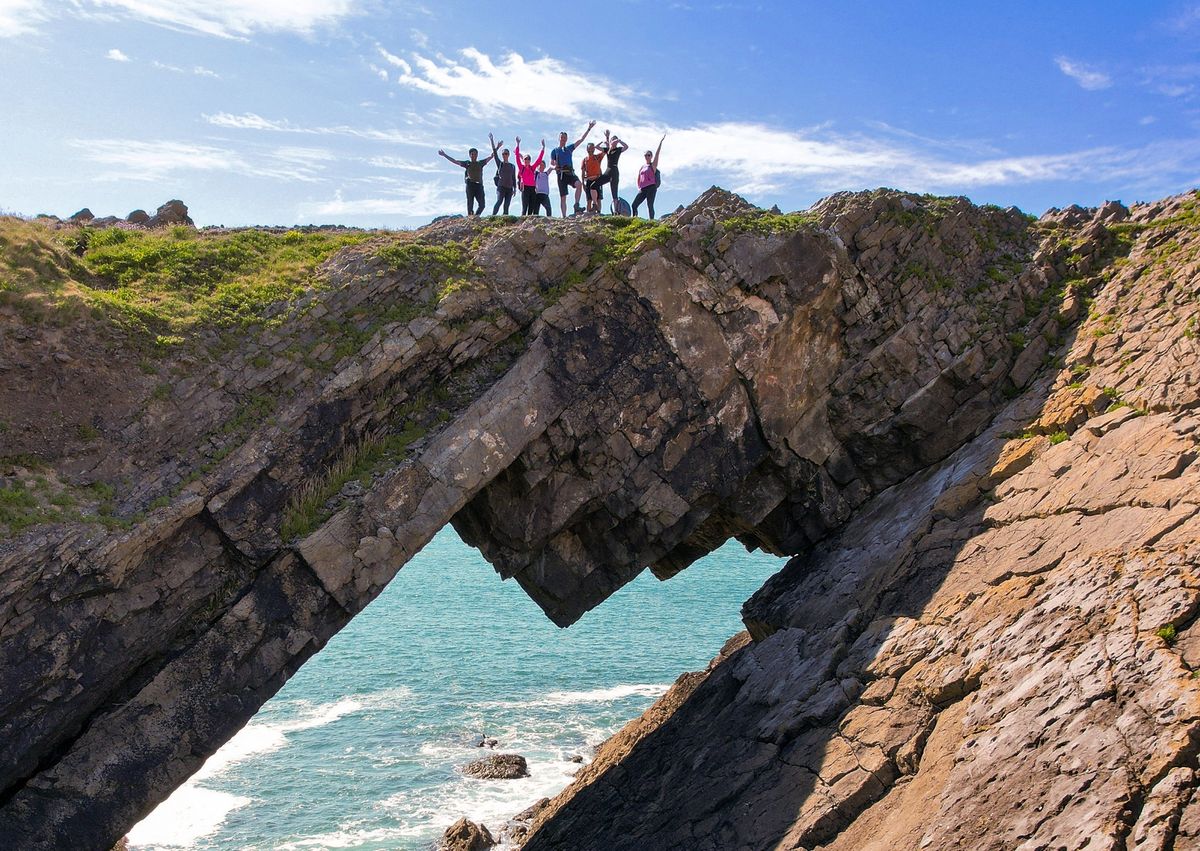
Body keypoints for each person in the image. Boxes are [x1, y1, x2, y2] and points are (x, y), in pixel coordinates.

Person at [550, 121, 595, 217]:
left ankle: (576, 205)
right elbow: (551, 164)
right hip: (561, 174)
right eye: (562, 137)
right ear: (559, 138)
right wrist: (555, 167)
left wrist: (589, 128)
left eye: (565, 138)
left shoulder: (569, 148)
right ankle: (564, 216)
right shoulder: (555, 151)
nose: (563, 139)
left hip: (570, 172)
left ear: (566, 139)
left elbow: (581, 140)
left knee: (578, 184)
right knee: (563, 197)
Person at [438, 143, 496, 216]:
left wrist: (497, 147)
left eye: (475, 154)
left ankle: (476, 216)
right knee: (470, 204)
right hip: (470, 185)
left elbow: (491, 156)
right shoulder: (467, 163)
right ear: (470, 155)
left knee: (482, 205)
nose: (473, 155)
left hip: (479, 185)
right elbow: (455, 161)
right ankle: (471, 218)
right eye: (472, 154)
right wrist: (445, 155)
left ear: (477, 155)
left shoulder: (480, 163)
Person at [632, 134, 665, 220]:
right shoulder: (642, 167)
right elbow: (639, 177)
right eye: (646, 155)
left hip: (651, 187)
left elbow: (658, 154)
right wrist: (639, 186)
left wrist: (660, 142)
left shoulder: (653, 165)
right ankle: (634, 219)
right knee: (634, 204)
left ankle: (651, 221)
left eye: (649, 155)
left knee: (650, 205)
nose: (647, 156)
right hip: (643, 188)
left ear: (651, 156)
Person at [596, 130, 628, 214]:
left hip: (614, 170)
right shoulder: (608, 150)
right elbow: (597, 147)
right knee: (595, 184)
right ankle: (595, 205)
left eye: (615, 140)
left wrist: (619, 140)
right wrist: (605, 139)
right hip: (608, 170)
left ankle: (616, 211)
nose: (614, 141)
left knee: (614, 192)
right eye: (613, 140)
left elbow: (626, 147)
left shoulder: (618, 149)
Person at [514, 137, 544, 216]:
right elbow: (517, 158)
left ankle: (529, 224)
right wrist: (517, 144)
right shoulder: (522, 167)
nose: (527, 160)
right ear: (523, 160)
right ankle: (522, 223)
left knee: (531, 207)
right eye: (525, 159)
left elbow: (539, 160)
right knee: (525, 207)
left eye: (528, 159)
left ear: (530, 160)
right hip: (525, 188)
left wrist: (543, 148)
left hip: (532, 188)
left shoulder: (532, 168)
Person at [489, 133, 516, 216]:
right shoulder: (500, 164)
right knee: (499, 201)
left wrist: (515, 188)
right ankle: (493, 216)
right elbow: (494, 153)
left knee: (506, 205)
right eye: (503, 154)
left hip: (509, 188)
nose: (505, 155)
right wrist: (492, 140)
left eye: (506, 154)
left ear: (509, 155)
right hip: (501, 187)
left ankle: (505, 220)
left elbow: (513, 178)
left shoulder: (512, 166)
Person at [580, 141, 607, 214]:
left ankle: (598, 212)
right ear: (587, 149)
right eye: (589, 148)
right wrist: (583, 184)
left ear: (594, 149)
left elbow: (605, 151)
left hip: (597, 179)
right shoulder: (585, 160)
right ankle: (589, 213)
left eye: (592, 148)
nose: (590, 150)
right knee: (589, 199)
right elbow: (582, 173)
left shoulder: (597, 157)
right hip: (588, 180)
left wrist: (606, 140)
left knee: (598, 198)